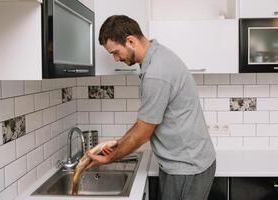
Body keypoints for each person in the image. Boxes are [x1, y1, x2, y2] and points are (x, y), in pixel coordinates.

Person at [85, 15, 216, 200]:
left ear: (130, 41)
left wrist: (109, 158)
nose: (115, 59)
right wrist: (119, 144)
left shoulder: (156, 72)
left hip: (186, 167)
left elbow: (143, 133)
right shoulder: (157, 55)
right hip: (187, 162)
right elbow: (144, 122)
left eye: (115, 52)